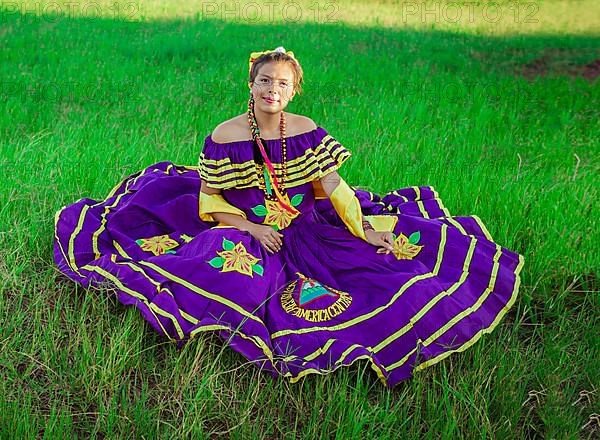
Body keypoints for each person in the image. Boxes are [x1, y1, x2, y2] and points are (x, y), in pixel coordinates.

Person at [53, 47, 525, 387]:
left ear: (294, 90)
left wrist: (364, 230)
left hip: (305, 222)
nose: (271, 89)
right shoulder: (226, 134)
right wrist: (252, 226)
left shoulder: (306, 132)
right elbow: (208, 200)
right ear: (250, 84)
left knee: (384, 268)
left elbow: (333, 187)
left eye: (282, 83)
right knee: (230, 271)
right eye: (264, 81)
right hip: (241, 220)